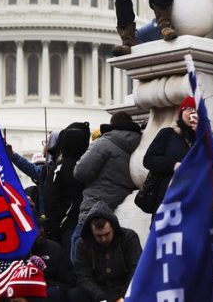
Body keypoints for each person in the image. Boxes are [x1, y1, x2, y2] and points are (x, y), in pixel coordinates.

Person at [73, 112, 140, 255]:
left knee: (78, 249)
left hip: (95, 204)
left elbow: (80, 172)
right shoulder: (141, 143)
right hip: (124, 202)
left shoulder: (104, 142)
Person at [73, 201, 142, 302]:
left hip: (126, 289)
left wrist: (123, 297)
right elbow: (83, 276)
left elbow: (136, 270)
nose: (104, 239)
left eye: (107, 234)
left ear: (113, 227)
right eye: (99, 236)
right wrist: (100, 297)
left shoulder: (129, 238)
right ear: (91, 232)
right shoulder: (82, 244)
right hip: (98, 292)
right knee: (75, 294)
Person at [141, 96, 197, 211]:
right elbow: (148, 160)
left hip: (194, 199)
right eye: (189, 109)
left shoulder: (204, 138)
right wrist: (173, 165)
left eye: (196, 110)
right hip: (168, 198)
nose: (193, 113)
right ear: (181, 113)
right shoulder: (168, 134)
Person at [49, 123, 89, 251]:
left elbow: (51, 199)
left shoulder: (59, 168)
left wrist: (53, 228)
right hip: (86, 219)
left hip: (66, 224)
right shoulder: (88, 166)